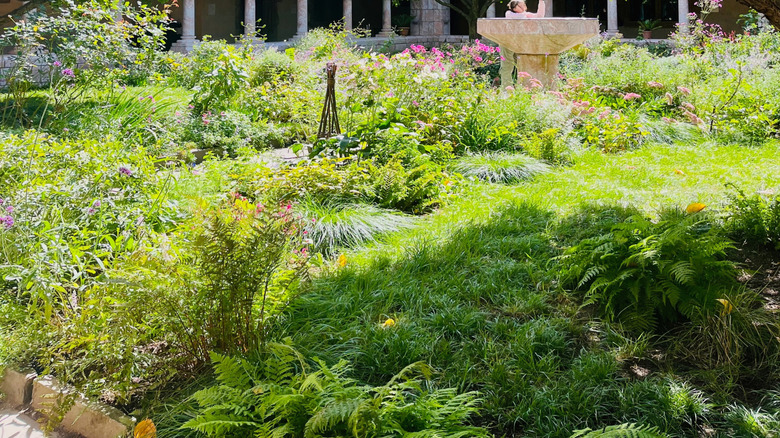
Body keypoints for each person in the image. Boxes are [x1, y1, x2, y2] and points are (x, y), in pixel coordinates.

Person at [499, 0, 546, 88]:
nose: (523, 7)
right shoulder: (509, 13)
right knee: (507, 65)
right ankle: (506, 88)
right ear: (514, 8)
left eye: (523, 5)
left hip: (519, 42)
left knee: (521, 65)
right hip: (507, 41)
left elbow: (540, 16)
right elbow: (518, 17)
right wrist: (528, 16)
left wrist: (541, 2)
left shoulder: (525, 14)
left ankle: (521, 88)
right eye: (520, 5)